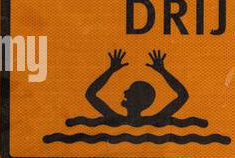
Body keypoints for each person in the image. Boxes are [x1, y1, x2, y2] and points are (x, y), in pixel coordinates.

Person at [64, 49, 209, 128]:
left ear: (139, 100)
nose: (125, 92)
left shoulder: (114, 119)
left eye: (130, 91)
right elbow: (182, 96)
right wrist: (162, 71)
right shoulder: (156, 120)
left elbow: (91, 94)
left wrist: (111, 70)